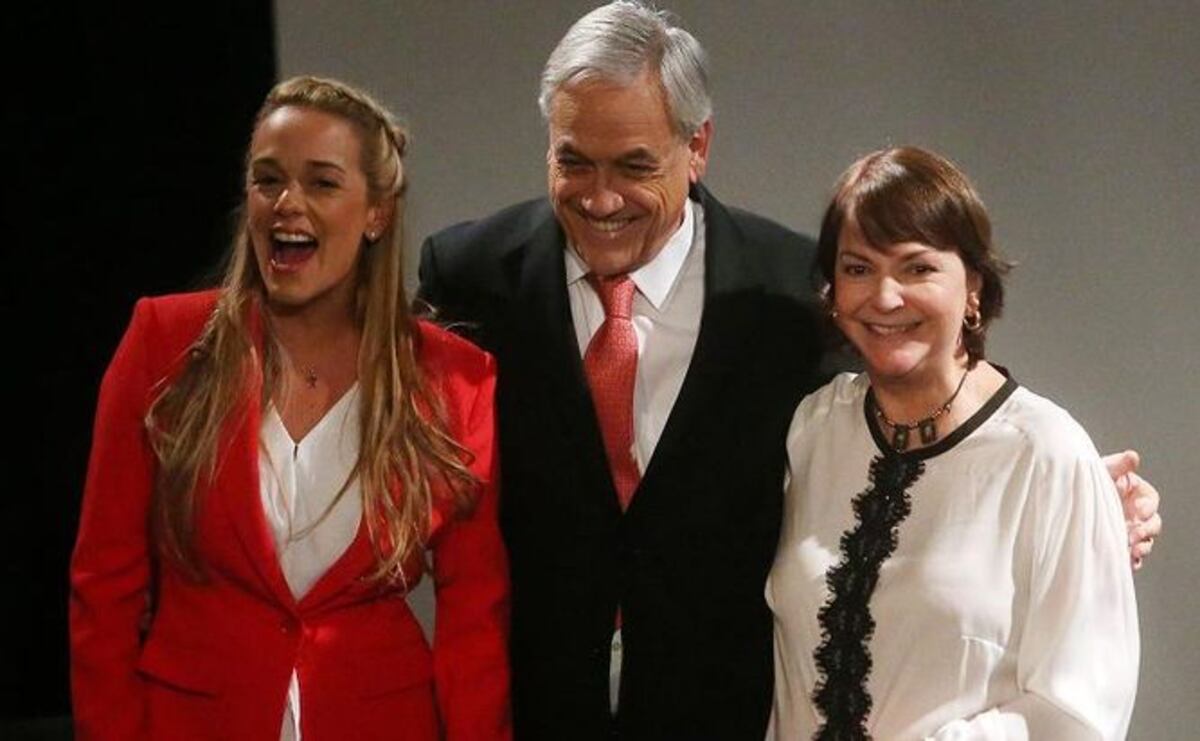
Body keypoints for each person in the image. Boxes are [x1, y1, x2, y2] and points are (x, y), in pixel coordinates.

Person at [417, 2, 1158, 738]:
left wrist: (1073, 506)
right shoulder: (470, 277)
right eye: (573, 160)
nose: (601, 197)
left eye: (635, 165)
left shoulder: (790, 296)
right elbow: (405, 449)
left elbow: (919, 425)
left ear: (697, 145)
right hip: (530, 714)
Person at [70, 76, 510, 740]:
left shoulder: (454, 379)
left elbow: (475, 619)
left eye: (322, 182)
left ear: (376, 213)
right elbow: (104, 588)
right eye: (267, 180)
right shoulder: (163, 344)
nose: (286, 204)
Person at [768, 146, 1139, 739]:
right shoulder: (814, 426)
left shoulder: (1046, 454)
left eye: (917, 269)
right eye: (858, 269)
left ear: (973, 287)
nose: (885, 297)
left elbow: (1080, 709)